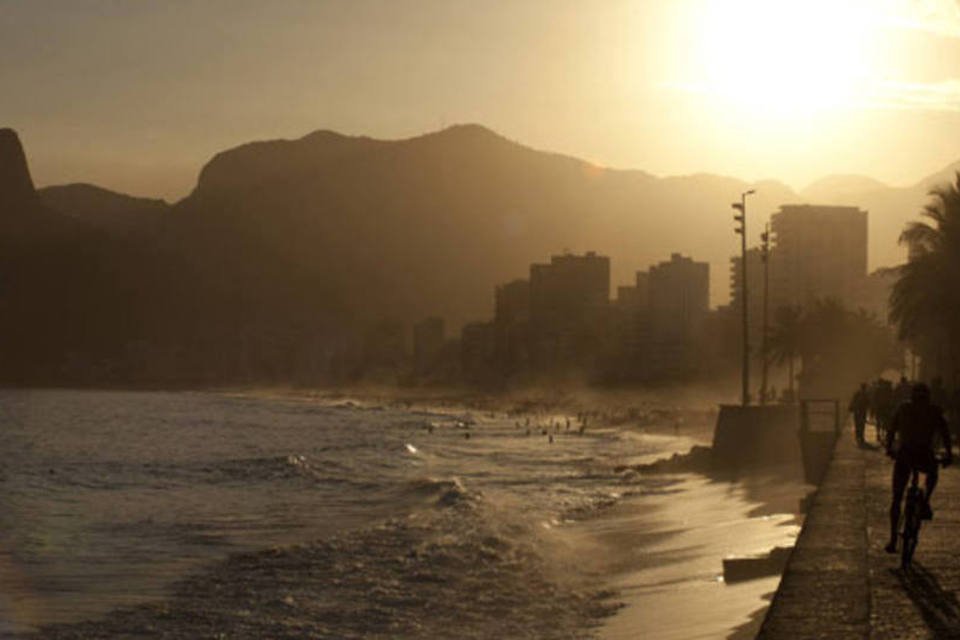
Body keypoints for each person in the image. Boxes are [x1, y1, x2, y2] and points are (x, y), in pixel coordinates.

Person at [884, 383, 953, 554]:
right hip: (924, 455)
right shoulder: (934, 411)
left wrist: (889, 448)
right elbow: (945, 433)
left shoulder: (903, 408)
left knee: (897, 498)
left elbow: (891, 429)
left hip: (905, 454)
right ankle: (925, 501)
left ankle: (893, 539)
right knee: (932, 475)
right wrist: (949, 454)